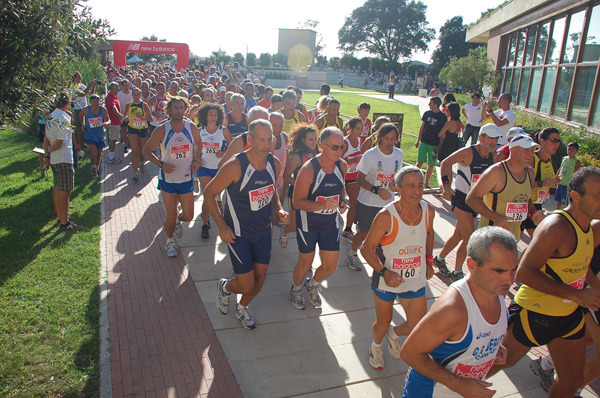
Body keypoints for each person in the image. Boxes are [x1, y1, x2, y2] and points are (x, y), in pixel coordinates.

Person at [487, 167, 600, 398]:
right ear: (576, 196)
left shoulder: (592, 228)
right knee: (500, 363)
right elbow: (524, 273)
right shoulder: (556, 227)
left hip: (569, 316)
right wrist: (577, 294)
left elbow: (582, 263)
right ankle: (446, 387)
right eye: (597, 196)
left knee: (571, 381)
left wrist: (592, 288)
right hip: (535, 312)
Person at [401, 226, 517, 397]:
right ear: (472, 265)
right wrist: (459, 385)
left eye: (513, 269)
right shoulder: (452, 310)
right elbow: (409, 353)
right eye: (499, 271)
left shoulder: (496, 291)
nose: (509, 280)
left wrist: (492, 347)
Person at [205, 120, 288, 329]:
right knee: (246, 283)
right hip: (238, 233)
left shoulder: (274, 163)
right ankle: (225, 286)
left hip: (263, 231)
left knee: (259, 280)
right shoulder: (235, 166)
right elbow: (209, 193)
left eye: (269, 140)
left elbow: (272, 193)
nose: (266, 144)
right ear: (249, 139)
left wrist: (278, 208)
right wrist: (222, 227)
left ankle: (242, 308)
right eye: (261, 139)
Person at [361, 166, 435, 369]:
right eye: (411, 186)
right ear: (397, 188)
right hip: (386, 279)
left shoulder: (429, 211)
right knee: (382, 322)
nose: (417, 191)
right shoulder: (386, 216)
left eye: (420, 186)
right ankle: (376, 345)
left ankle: (393, 334)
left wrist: (428, 260)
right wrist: (384, 272)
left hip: (414, 278)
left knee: (416, 324)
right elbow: (366, 248)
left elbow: (429, 233)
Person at [529, 232, 600, 395]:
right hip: (594, 293)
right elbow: (583, 257)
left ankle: (546, 365)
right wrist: (595, 286)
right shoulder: (597, 225)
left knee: (588, 337)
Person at [289, 127, 348, 310]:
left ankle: (312, 285)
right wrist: (322, 205)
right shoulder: (309, 170)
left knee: (331, 265)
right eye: (335, 147)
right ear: (322, 146)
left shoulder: (342, 166)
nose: (339, 151)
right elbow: (297, 202)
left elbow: (340, 188)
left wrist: (343, 201)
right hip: (309, 224)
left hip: (329, 223)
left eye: (342, 147)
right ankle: (296, 289)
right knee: (305, 262)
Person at [435, 124, 502, 281]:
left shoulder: (493, 155)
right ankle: (457, 271)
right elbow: (445, 162)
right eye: (491, 138)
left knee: (459, 234)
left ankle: (440, 258)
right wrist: (446, 186)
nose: (494, 142)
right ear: (481, 138)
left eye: (496, 138)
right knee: (470, 237)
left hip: (476, 202)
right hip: (462, 199)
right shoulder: (468, 152)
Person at [142, 96, 202, 257]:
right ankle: (170, 241)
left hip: (186, 178)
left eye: (182, 108)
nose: (179, 111)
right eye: (175, 108)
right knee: (171, 214)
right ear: (169, 110)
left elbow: (199, 143)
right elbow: (146, 151)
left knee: (188, 215)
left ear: (186, 109)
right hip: (168, 181)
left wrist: (196, 159)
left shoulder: (191, 127)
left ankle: (175, 222)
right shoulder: (163, 129)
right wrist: (161, 164)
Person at [466, 134, 543, 242]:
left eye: (532, 151)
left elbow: (526, 198)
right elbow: (471, 198)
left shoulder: (530, 173)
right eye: (526, 150)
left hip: (512, 239)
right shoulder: (496, 172)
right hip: (490, 239)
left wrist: (532, 213)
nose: (530, 155)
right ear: (513, 150)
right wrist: (495, 217)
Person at [347, 123, 404, 271]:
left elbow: (396, 175)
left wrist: (394, 185)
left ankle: (379, 258)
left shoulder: (399, 154)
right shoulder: (370, 155)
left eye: (393, 139)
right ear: (379, 138)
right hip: (368, 202)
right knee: (364, 231)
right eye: (386, 138)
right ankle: (353, 253)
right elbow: (359, 179)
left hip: (388, 202)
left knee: (385, 233)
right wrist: (376, 190)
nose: (390, 142)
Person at [43, 92, 81, 230]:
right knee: (66, 192)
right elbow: (59, 142)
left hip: (55, 160)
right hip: (64, 158)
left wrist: (47, 153)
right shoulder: (63, 119)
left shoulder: (51, 117)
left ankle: (60, 215)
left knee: (58, 187)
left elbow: (45, 140)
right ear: (67, 104)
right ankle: (64, 222)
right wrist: (51, 149)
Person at [196, 103, 232, 239]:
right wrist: (196, 159)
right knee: (207, 196)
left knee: (215, 194)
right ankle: (205, 224)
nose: (213, 117)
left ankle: (212, 213)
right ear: (205, 116)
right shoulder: (199, 131)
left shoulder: (223, 131)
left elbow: (232, 147)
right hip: (204, 168)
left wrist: (223, 154)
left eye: (216, 114)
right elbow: (194, 147)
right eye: (210, 114)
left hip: (219, 169)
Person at [280, 124, 320, 248]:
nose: (314, 142)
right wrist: (301, 184)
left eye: (315, 139)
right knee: (294, 226)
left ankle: (306, 253)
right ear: (303, 140)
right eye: (310, 139)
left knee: (311, 224)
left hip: (313, 194)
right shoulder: (296, 157)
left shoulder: (319, 154)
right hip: (296, 193)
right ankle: (284, 231)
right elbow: (286, 177)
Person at [521, 127, 562, 237]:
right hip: (525, 204)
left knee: (538, 243)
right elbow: (521, 185)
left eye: (559, 141)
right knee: (514, 240)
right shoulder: (532, 158)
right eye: (553, 141)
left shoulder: (549, 159)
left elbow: (544, 181)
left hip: (538, 205)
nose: (557, 144)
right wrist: (542, 183)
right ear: (542, 141)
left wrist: (554, 181)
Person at [341, 117, 364, 240]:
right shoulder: (345, 143)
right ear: (350, 128)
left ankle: (350, 227)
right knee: (352, 202)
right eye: (357, 128)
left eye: (361, 129)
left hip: (355, 176)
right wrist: (353, 160)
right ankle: (348, 229)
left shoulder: (359, 141)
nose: (359, 131)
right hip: (345, 177)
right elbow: (338, 160)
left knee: (356, 202)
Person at [124, 87, 153, 183]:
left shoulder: (144, 105)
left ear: (140, 95)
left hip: (143, 129)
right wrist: (126, 118)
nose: (136, 96)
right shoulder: (129, 105)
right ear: (132, 95)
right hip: (132, 129)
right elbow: (125, 115)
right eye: (134, 94)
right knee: (134, 151)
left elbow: (151, 119)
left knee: (142, 150)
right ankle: (135, 173)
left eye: (138, 94)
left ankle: (141, 162)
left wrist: (143, 117)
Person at [415, 97, 446, 188]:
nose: (429, 104)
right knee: (419, 162)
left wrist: (439, 147)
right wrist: (418, 140)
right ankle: (414, 180)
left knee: (431, 165)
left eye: (430, 103)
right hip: (424, 142)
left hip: (434, 144)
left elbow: (443, 133)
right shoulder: (427, 113)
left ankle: (426, 183)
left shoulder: (443, 117)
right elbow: (422, 127)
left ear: (436, 105)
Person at [79, 94, 110, 179]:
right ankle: (93, 167)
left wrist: (106, 123)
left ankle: (96, 167)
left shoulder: (103, 109)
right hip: (90, 134)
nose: (95, 103)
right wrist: (83, 124)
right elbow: (81, 115)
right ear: (90, 102)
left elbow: (108, 119)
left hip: (100, 135)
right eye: (93, 101)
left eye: (97, 101)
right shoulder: (86, 109)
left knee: (99, 153)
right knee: (94, 153)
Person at [70, 71, 97, 151]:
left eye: (80, 77)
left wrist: (93, 86)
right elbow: (82, 94)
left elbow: (90, 93)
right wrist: (89, 85)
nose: (80, 78)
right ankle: (81, 143)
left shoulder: (82, 85)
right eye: (78, 77)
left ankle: (86, 142)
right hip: (78, 109)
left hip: (85, 107)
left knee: (87, 125)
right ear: (74, 78)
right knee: (79, 127)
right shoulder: (73, 87)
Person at [555, 142, 581, 209]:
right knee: (558, 199)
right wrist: (557, 176)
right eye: (569, 149)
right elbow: (561, 168)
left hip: (567, 184)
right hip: (560, 182)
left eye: (572, 150)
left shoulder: (576, 161)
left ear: (576, 151)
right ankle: (557, 211)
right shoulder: (564, 158)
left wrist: (573, 184)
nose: (570, 151)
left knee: (565, 201)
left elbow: (576, 173)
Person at [105, 82, 124, 164]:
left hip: (116, 122)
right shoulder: (110, 98)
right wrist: (119, 115)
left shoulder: (114, 96)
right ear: (112, 89)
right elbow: (113, 107)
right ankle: (111, 158)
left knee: (113, 139)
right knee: (113, 139)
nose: (118, 89)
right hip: (113, 122)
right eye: (116, 87)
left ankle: (110, 155)